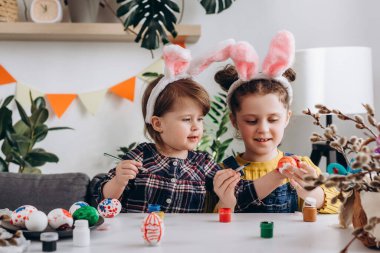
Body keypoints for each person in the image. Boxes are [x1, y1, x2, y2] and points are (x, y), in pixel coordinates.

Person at [94, 43, 260, 213]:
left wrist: (229, 189)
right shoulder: (141, 156)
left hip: (184, 238)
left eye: (200, 119)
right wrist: (118, 181)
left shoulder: (203, 163)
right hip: (138, 237)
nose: (196, 126)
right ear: (158, 124)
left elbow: (243, 195)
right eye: (187, 119)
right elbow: (101, 200)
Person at [212, 31, 339, 213]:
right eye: (251, 121)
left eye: (273, 119)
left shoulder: (302, 166)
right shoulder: (224, 172)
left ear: (286, 118)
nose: (263, 129)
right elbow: (208, 224)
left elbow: (339, 207)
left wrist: (314, 194)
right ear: (234, 121)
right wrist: (226, 203)